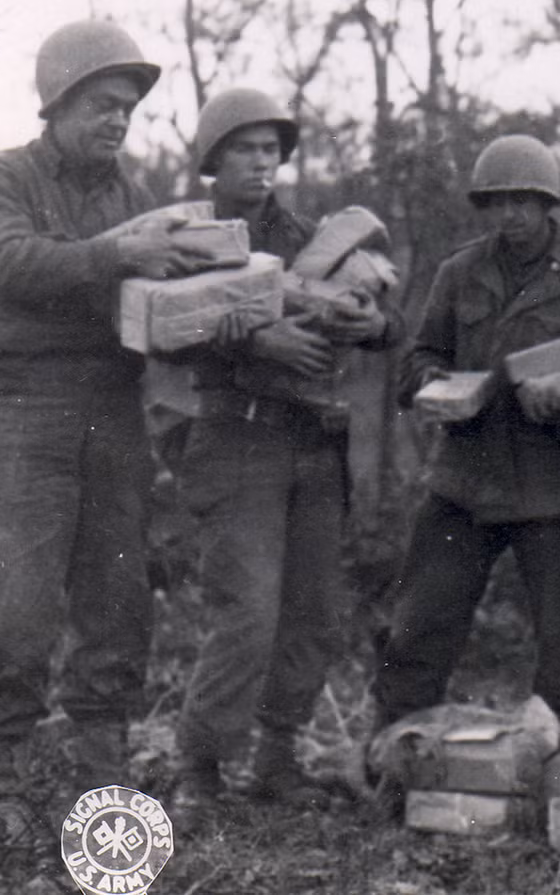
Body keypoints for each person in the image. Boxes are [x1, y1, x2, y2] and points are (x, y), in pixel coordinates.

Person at [0, 19, 214, 866]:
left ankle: (100, 776)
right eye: (102, 104)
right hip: (24, 408)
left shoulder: (130, 194)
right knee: (19, 606)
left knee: (116, 601)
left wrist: (200, 298)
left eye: (127, 109)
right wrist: (121, 253)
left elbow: (150, 296)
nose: (117, 121)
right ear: (58, 103)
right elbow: (9, 264)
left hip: (114, 404)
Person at [169, 89, 401, 822]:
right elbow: (160, 326)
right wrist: (253, 339)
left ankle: (275, 763)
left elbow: (389, 327)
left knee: (312, 612)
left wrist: (369, 321)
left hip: (313, 442)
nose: (260, 162)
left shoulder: (310, 238)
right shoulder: (186, 236)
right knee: (246, 611)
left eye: (270, 149)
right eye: (244, 148)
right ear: (214, 159)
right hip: (236, 437)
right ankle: (200, 771)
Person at [371, 134, 560, 730]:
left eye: (523, 201)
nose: (509, 214)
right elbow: (418, 359)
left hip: (556, 494)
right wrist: (438, 385)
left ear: (548, 204)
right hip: (463, 486)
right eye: (497, 202)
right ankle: (393, 758)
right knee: (417, 634)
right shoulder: (460, 273)